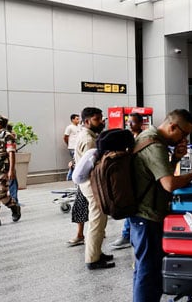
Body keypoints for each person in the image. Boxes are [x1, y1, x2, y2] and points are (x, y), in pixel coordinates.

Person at [130, 109, 192, 302]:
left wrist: (175, 158)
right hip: (146, 216)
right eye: (183, 134)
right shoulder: (154, 144)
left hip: (144, 214)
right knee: (148, 271)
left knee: (144, 268)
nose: (184, 139)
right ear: (172, 126)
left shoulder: (150, 138)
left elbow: (155, 176)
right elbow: (169, 184)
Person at [75, 107, 114, 269]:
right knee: (97, 221)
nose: (101, 122)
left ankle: (96, 251)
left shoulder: (90, 136)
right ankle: (92, 259)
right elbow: (95, 166)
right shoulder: (89, 140)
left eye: (101, 118)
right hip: (92, 185)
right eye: (97, 119)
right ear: (86, 121)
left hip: (90, 184)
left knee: (98, 220)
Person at [110, 112, 144, 250]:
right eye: (128, 122)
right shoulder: (127, 138)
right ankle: (127, 235)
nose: (130, 124)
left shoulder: (143, 138)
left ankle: (127, 235)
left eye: (133, 122)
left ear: (141, 123)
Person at [63, 113, 82, 180]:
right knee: (76, 161)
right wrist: (69, 144)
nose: (78, 120)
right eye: (77, 119)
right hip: (72, 147)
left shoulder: (80, 126)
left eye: (78, 119)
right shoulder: (69, 127)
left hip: (78, 147)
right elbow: (65, 137)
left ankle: (72, 175)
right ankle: (70, 176)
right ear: (72, 120)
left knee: (77, 161)